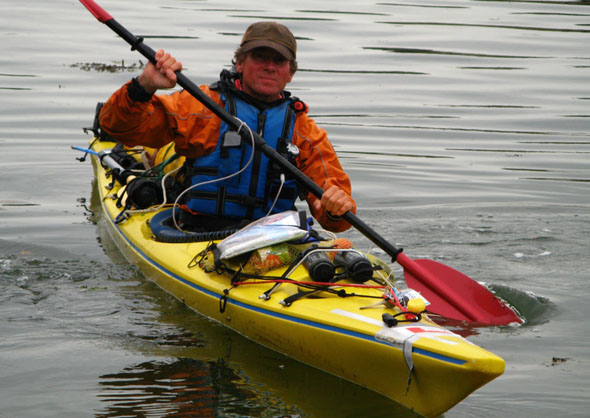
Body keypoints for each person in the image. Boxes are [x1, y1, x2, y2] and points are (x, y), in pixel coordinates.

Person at [99, 21, 356, 233]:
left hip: (274, 239)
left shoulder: (305, 133)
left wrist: (334, 209)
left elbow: (338, 219)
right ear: (240, 63)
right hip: (200, 232)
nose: (269, 66)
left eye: (279, 60)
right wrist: (144, 85)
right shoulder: (200, 107)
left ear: (290, 73)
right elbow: (119, 128)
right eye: (260, 57)